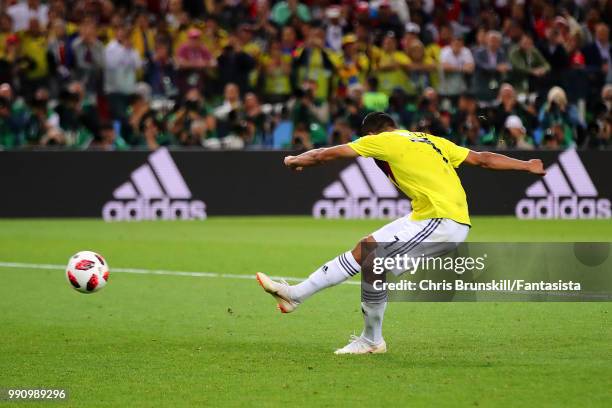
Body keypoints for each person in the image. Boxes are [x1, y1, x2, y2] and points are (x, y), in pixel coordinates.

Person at [256, 112, 546, 354]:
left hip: (442, 220)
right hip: (428, 216)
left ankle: (371, 340)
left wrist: (295, 160)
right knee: (365, 249)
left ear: (371, 134)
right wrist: (527, 165)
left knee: (373, 259)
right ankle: (295, 295)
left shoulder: (382, 141)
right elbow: (483, 159)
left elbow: (325, 154)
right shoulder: (432, 140)